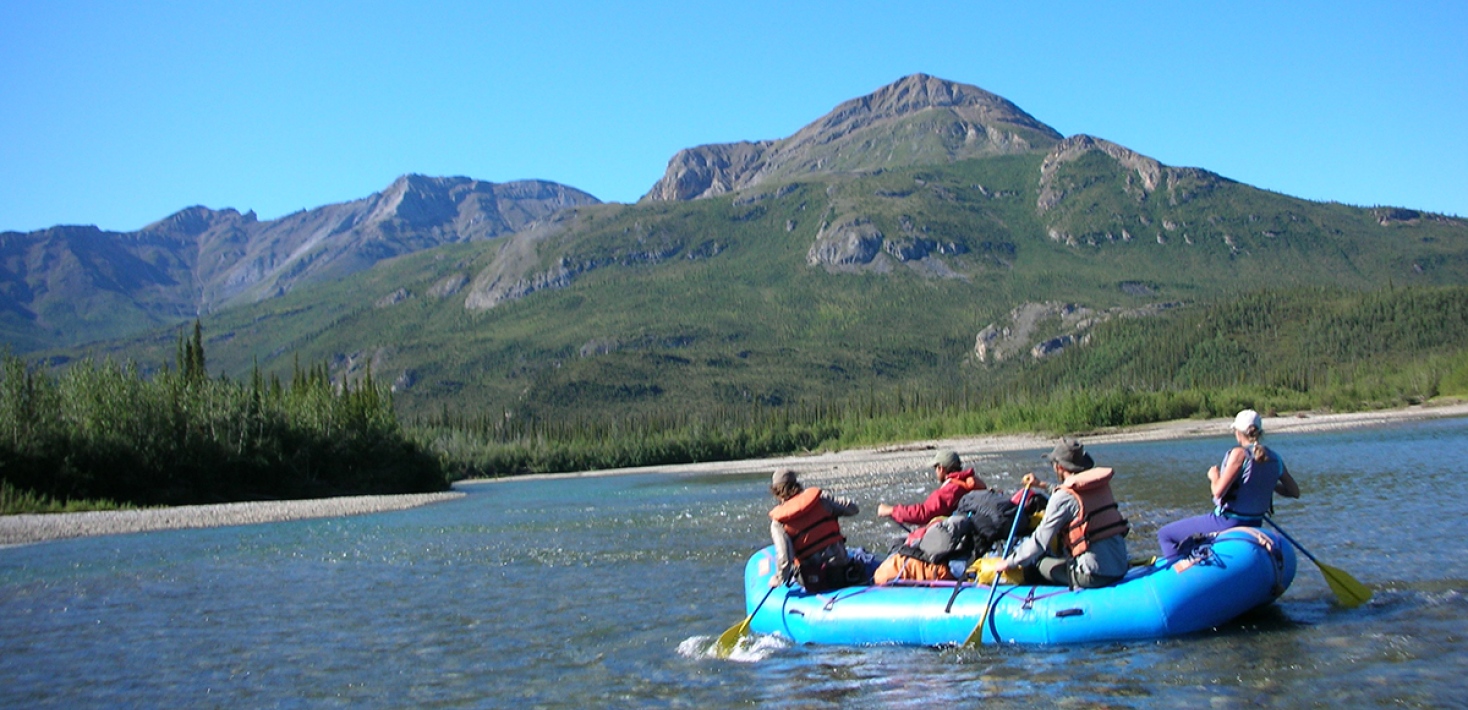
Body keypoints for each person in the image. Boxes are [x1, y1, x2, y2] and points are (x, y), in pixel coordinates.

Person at [1156, 409, 1300, 558]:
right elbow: (1294, 492)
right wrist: (1270, 485)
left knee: (1165, 535)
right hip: (1255, 523)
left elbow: (1218, 492)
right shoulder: (1275, 459)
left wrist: (1214, 476)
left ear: (1238, 432)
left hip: (1227, 522)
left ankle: (1180, 573)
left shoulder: (1239, 454)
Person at [993, 438, 1130, 589]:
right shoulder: (1100, 486)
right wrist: (1041, 485)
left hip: (1093, 575)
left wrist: (1009, 562)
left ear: (1059, 467)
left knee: (1036, 562)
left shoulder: (1063, 498)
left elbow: (1039, 542)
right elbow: (1071, 495)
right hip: (1120, 566)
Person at [768, 468, 866, 592]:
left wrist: (778, 579)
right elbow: (853, 509)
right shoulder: (821, 500)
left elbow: (784, 558)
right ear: (796, 483)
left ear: (776, 492)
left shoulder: (779, 523)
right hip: (841, 570)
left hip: (814, 578)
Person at [876, 450, 986, 528]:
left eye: (935, 468)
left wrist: (891, 510)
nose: (935, 472)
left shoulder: (951, 489)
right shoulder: (966, 483)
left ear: (941, 468)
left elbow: (924, 513)